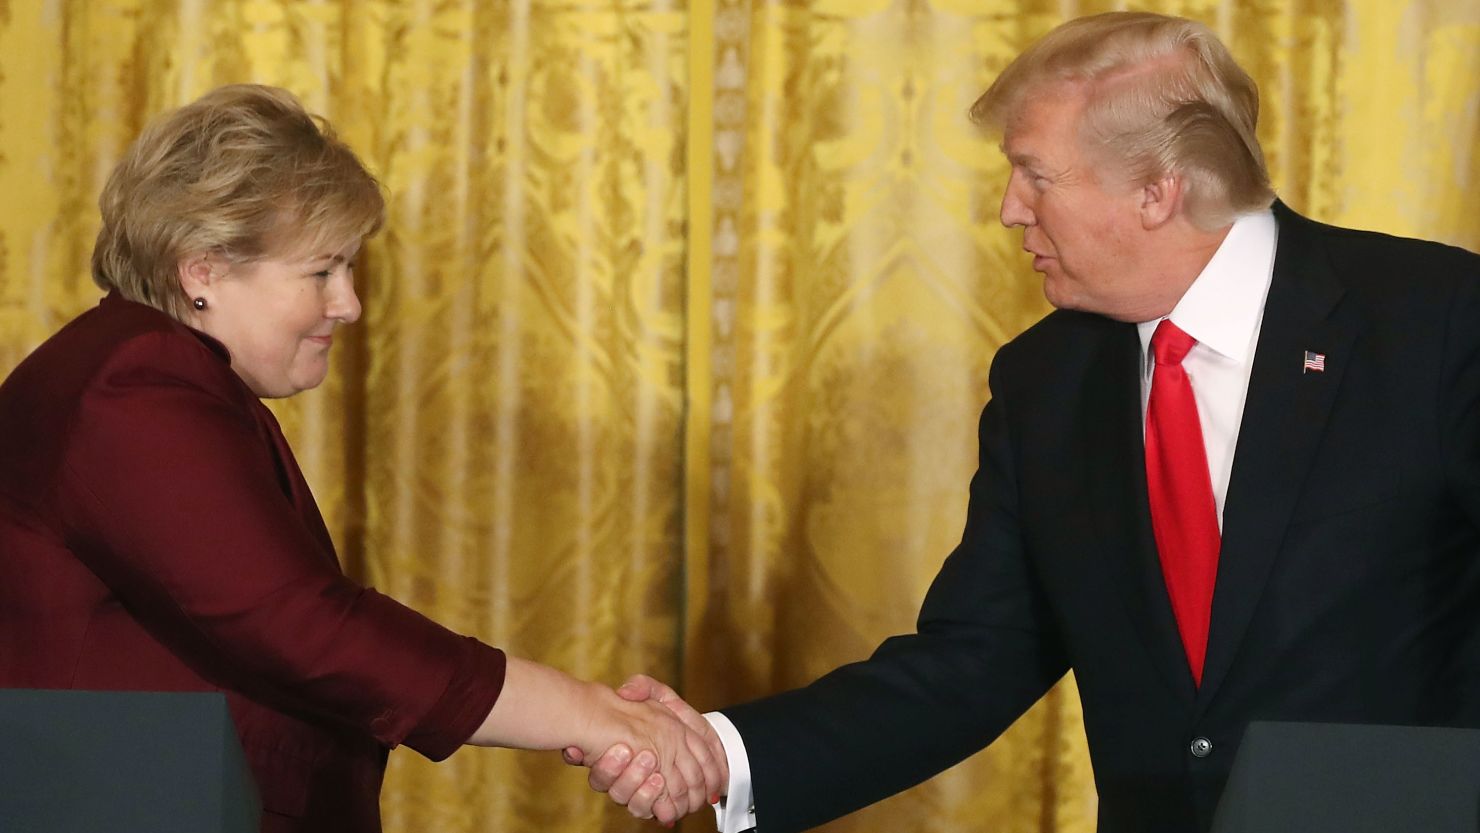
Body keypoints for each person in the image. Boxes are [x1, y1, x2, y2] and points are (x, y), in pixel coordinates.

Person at [572, 10, 1480, 833]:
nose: (1009, 209)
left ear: (1157, 191)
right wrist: (724, 754)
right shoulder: (1048, 379)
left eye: (1034, 174)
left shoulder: (1435, 322)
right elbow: (976, 659)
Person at [0, 84, 721, 832]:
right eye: (321, 272)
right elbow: (300, 624)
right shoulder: (134, 379)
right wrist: (591, 713)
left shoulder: (150, 370)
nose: (349, 304)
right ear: (202, 270)